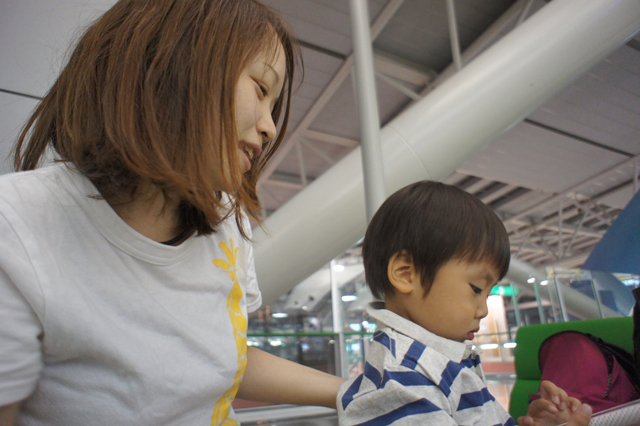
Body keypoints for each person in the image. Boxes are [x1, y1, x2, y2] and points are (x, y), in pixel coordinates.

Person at [0, 1, 345, 425]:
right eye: (260, 88)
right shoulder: (14, 226)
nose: (271, 127)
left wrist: (350, 391)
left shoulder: (225, 222)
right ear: (176, 64)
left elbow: (217, 357)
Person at [337, 181, 593, 426]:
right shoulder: (403, 380)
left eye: (487, 295)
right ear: (406, 274)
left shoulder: (433, 361)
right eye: (476, 289)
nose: (482, 310)